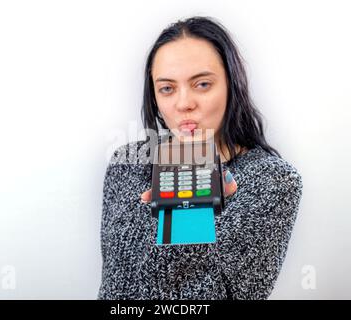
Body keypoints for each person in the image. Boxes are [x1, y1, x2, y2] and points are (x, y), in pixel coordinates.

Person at [98, 16, 303, 300]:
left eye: (202, 84)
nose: (184, 104)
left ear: (232, 86)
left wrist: (186, 215)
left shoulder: (273, 181)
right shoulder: (128, 164)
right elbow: (116, 286)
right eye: (167, 88)